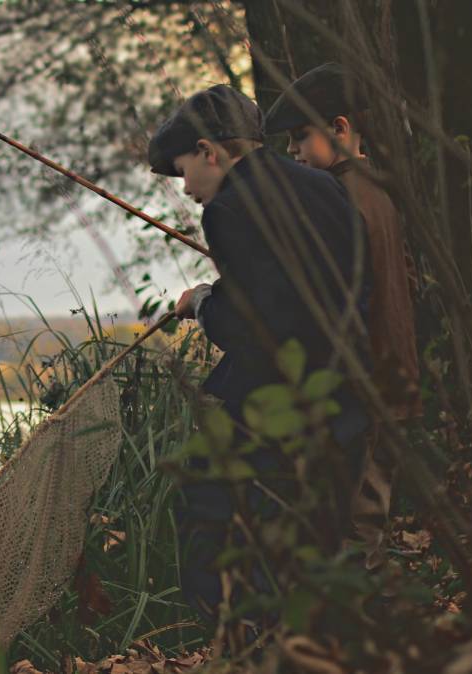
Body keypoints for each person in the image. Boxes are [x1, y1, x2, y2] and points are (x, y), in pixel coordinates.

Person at [147, 84, 373, 625]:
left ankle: (234, 640)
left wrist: (204, 305)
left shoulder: (226, 209)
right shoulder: (322, 185)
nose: (188, 190)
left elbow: (256, 326)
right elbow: (313, 286)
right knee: (316, 543)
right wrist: (215, 295)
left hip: (283, 409)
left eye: (183, 173)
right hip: (349, 399)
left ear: (209, 152)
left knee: (205, 505)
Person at [265, 63, 421, 569]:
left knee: (352, 518)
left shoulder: (336, 197)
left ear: (338, 128)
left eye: (298, 137)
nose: (292, 152)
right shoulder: (379, 190)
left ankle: (360, 627)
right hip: (390, 375)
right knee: (365, 510)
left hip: (364, 380)